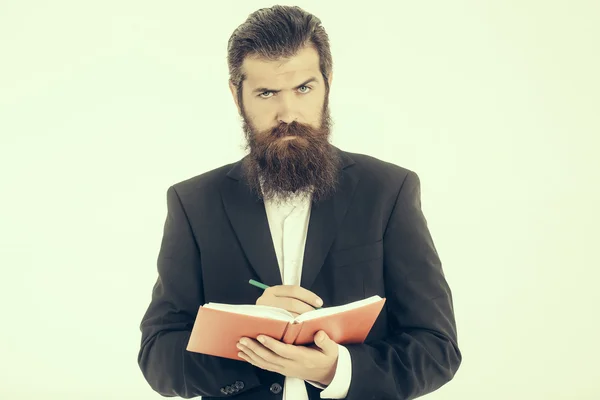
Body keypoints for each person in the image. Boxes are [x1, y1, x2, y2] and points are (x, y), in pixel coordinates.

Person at [137, 5, 461, 400]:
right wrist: (250, 338)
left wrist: (335, 369)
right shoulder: (193, 202)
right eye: (267, 93)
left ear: (328, 82)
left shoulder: (388, 190)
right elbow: (157, 357)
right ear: (237, 96)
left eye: (303, 88)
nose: (288, 113)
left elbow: (437, 347)